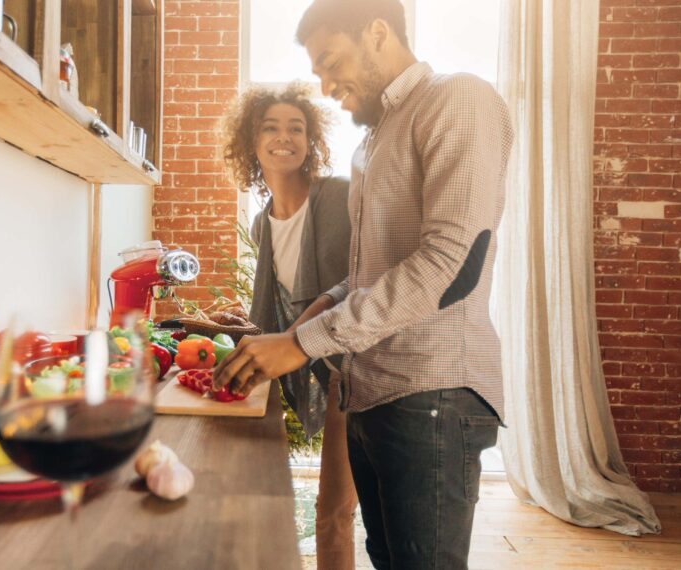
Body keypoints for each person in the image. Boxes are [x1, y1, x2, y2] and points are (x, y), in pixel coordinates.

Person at [214, 1, 514, 568]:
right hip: (372, 392)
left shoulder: (457, 98)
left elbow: (451, 266)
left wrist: (301, 343)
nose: (326, 86)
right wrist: (308, 321)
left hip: (432, 394)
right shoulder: (373, 140)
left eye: (331, 61)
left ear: (378, 32)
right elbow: (369, 275)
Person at [220, 83, 358, 570]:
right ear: (251, 142)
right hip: (327, 366)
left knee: (334, 513)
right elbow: (278, 303)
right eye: (271, 128)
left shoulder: (338, 196)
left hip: (360, 370)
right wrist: (243, 322)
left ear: (311, 140)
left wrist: (293, 336)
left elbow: (358, 282)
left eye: (296, 128)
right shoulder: (263, 223)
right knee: (331, 513)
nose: (285, 137)